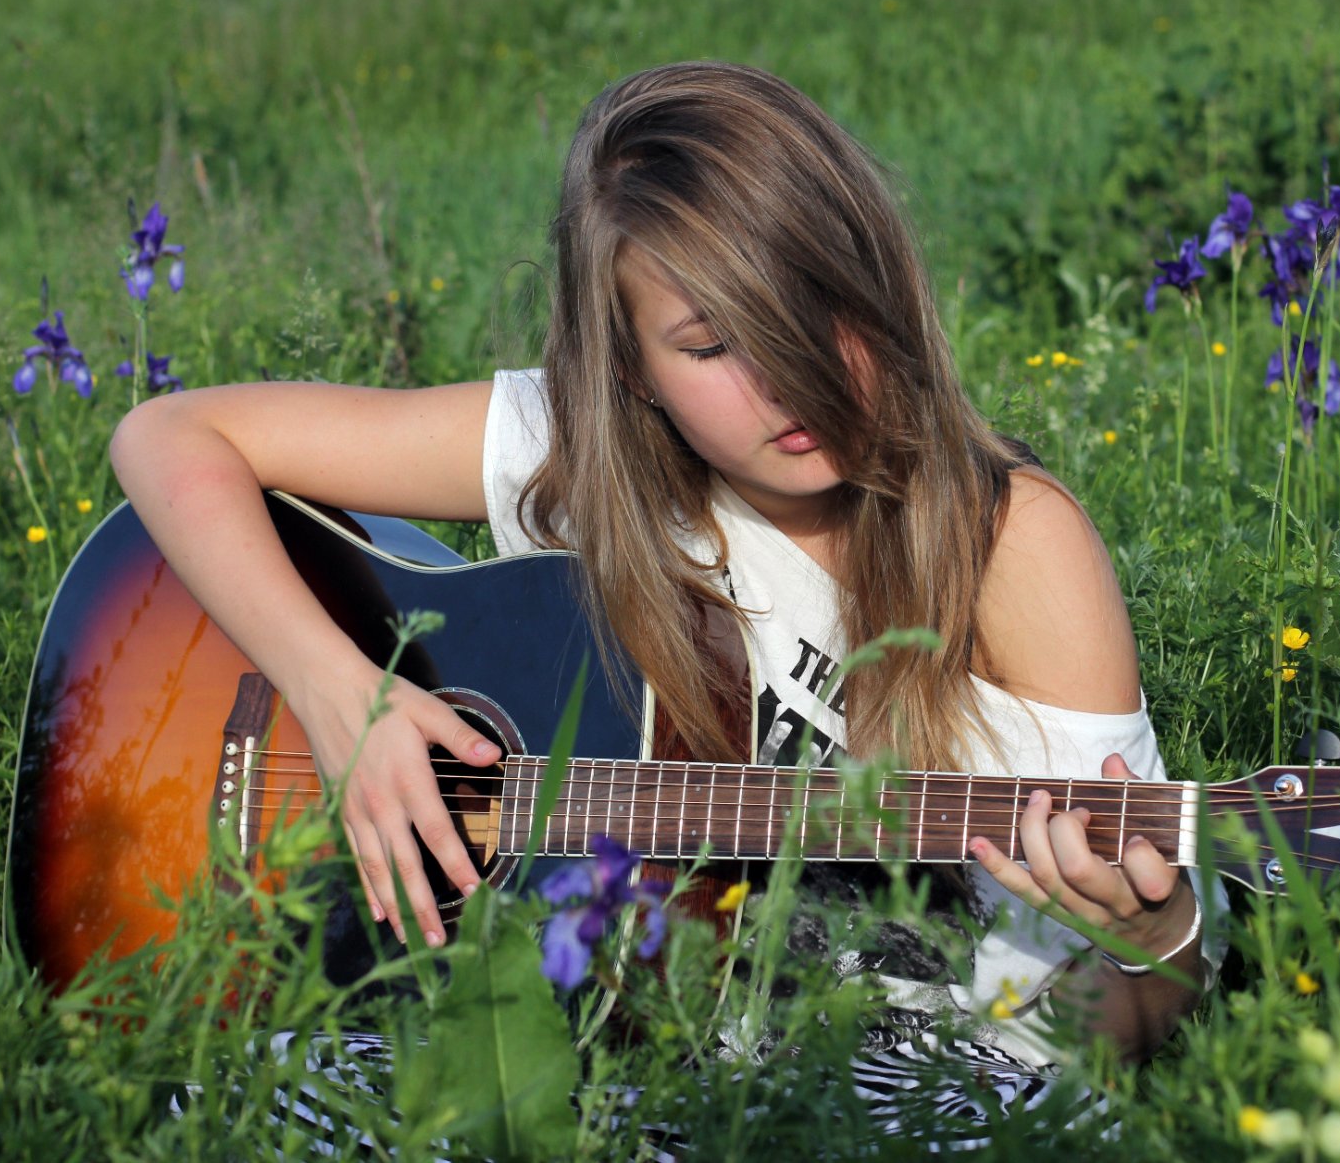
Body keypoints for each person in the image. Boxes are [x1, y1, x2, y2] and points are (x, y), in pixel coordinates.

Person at [111, 61, 1214, 1136]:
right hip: (608, 1044)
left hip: (911, 1080)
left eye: (817, 309)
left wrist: (1156, 936)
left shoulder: (1009, 545)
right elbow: (169, 435)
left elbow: (1110, 1019)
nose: (785, 382)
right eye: (711, 345)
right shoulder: (589, 456)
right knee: (229, 1092)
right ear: (630, 369)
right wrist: (336, 687)